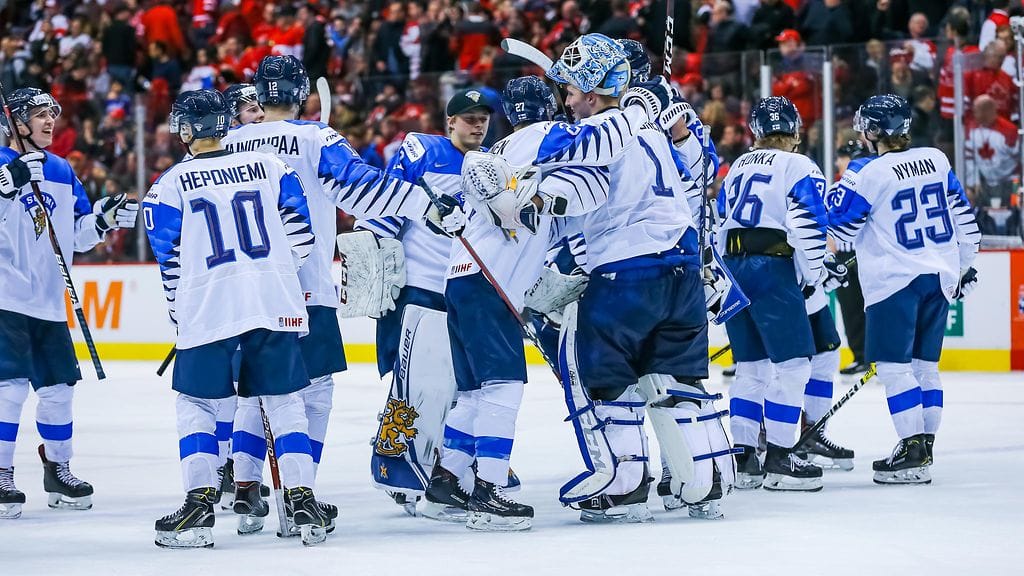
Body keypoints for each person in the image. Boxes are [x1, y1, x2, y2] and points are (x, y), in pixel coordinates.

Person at [219, 55, 463, 530]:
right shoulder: (315, 138)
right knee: (313, 392)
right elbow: (363, 189)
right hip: (303, 288)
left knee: (252, 390)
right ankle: (299, 494)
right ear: (300, 93)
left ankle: (246, 487)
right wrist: (424, 202)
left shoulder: (225, 145)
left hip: (243, 293)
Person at [546, 34, 735, 520]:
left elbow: (565, 188)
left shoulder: (600, 130)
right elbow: (698, 173)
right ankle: (708, 482)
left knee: (608, 380)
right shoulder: (652, 129)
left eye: (570, 90)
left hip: (626, 272)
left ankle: (624, 489)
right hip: (684, 268)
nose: (567, 101)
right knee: (683, 377)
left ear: (592, 91)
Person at [144, 89, 332, 547]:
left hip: (209, 312)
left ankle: (199, 506)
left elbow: (169, 264)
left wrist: (181, 314)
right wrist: (271, 277)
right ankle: (302, 500)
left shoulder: (168, 185)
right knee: (285, 403)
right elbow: (301, 235)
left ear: (187, 130)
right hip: (275, 305)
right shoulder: (273, 168)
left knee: (199, 405)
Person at [355, 88, 495, 515]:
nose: (477, 124)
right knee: (414, 387)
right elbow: (389, 202)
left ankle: (448, 469)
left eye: (483, 117)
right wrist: (373, 246)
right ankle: (397, 468)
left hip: (467, 291)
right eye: (467, 117)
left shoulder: (492, 165)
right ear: (449, 122)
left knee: (461, 388)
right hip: (421, 287)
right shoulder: (424, 150)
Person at [827, 94, 980, 485]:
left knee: (896, 371)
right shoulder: (937, 159)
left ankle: (911, 449)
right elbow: (966, 222)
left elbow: (841, 232)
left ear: (876, 130)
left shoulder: (867, 171)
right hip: (939, 278)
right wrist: (961, 270)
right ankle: (923, 447)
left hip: (894, 282)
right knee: (925, 369)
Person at [0, 88, 138, 520]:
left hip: (47, 301)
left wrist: (104, 219)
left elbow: (77, 233)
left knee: (59, 390)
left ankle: (57, 468)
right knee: (9, 389)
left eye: (51, 115)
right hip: (5, 296)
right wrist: (7, 186)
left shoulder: (61, 170)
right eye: (38, 115)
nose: (48, 122)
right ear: (16, 122)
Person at [719, 96, 843, 492]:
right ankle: (779, 457)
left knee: (751, 368)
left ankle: (742, 457)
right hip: (772, 267)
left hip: (734, 269)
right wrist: (816, 273)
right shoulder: (799, 165)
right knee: (793, 367)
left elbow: (720, 218)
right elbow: (807, 227)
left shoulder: (738, 165)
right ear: (794, 131)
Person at [831, 139, 872, 375]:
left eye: (842, 157)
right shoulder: (836, 188)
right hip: (844, 255)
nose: (838, 162)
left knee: (872, 307)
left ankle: (875, 356)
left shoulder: (871, 185)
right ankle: (860, 356)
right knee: (850, 308)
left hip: (866, 254)